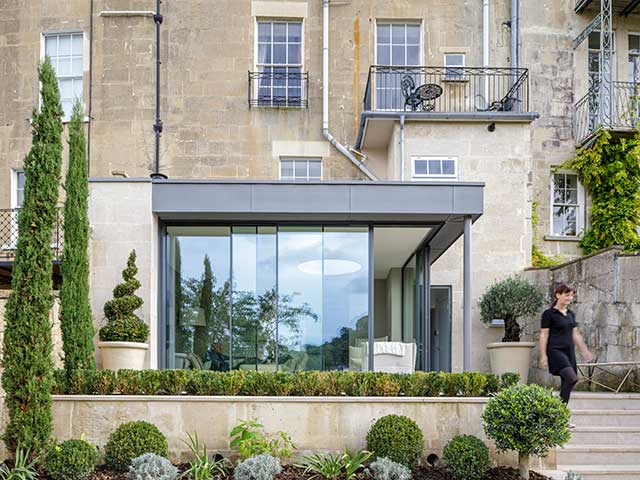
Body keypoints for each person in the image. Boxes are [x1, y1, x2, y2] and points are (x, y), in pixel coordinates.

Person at [539, 283, 593, 412]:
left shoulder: (570, 314)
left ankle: (558, 416)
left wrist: (584, 351)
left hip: (569, 352)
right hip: (555, 351)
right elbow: (543, 335)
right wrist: (543, 355)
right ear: (558, 295)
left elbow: (576, 334)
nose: (569, 298)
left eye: (571, 295)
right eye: (566, 295)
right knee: (572, 378)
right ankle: (557, 412)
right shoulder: (549, 314)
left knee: (566, 383)